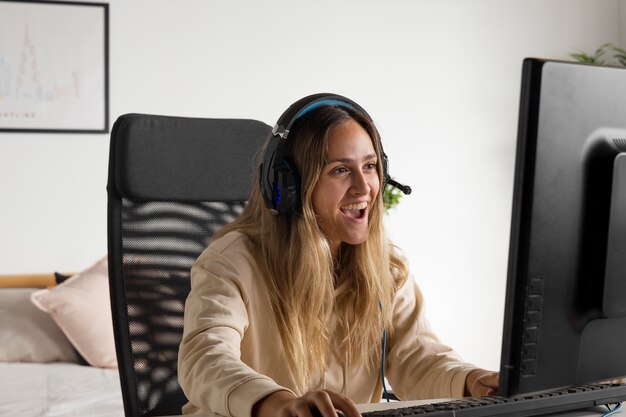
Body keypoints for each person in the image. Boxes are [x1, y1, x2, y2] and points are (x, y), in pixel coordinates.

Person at [177, 94, 499, 417]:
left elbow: (416, 357)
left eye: (370, 166)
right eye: (341, 169)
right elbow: (206, 358)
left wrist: (472, 380)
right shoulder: (231, 262)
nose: (364, 188)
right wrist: (277, 403)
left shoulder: (386, 269)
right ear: (291, 186)